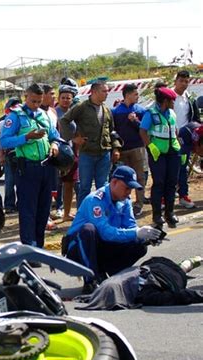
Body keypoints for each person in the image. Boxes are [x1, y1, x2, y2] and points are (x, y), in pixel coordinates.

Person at [62, 165, 161, 294]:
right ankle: (90, 281)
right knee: (88, 229)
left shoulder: (125, 202)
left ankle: (113, 276)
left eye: (131, 189)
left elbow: (130, 227)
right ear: (114, 182)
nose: (128, 192)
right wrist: (136, 233)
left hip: (102, 247)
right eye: (126, 188)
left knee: (139, 245)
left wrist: (146, 236)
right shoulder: (95, 200)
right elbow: (106, 233)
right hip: (78, 252)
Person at [0, 83, 61, 248]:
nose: (36, 105)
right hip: (27, 168)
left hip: (46, 167)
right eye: (33, 101)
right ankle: (29, 247)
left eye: (39, 101)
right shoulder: (15, 116)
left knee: (43, 210)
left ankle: (39, 247)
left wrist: (54, 145)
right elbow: (4, 140)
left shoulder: (44, 114)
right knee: (28, 211)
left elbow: (55, 135)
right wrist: (26, 137)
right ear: (26, 97)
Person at [61, 81, 122, 207]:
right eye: (104, 91)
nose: (106, 94)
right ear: (94, 92)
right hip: (87, 153)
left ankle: (103, 213)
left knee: (103, 187)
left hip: (104, 153)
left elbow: (112, 131)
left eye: (107, 91)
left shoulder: (106, 110)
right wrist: (73, 138)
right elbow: (64, 121)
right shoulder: (81, 107)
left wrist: (115, 148)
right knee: (85, 187)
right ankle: (83, 216)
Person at [75, 256, 203, 310]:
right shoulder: (120, 281)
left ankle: (188, 264)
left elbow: (182, 296)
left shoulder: (144, 295)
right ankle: (188, 263)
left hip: (165, 270)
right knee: (181, 268)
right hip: (156, 266)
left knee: (182, 268)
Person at [139, 87, 180, 228]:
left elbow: (175, 129)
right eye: (172, 101)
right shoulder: (151, 113)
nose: (174, 103)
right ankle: (157, 215)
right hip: (158, 153)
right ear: (165, 101)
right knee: (159, 183)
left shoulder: (172, 113)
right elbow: (143, 131)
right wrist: (150, 146)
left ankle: (170, 212)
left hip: (173, 152)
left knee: (172, 182)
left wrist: (179, 145)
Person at [112, 84, 147, 217]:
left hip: (137, 148)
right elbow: (113, 130)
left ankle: (139, 204)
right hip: (122, 150)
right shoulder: (116, 112)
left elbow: (145, 129)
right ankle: (123, 203)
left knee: (140, 176)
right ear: (127, 95)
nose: (137, 97)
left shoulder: (141, 110)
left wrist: (135, 121)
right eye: (135, 94)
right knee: (122, 179)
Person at [173, 70, 202, 208]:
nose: (184, 84)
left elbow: (196, 119)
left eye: (186, 81)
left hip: (185, 139)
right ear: (175, 81)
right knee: (170, 169)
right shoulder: (168, 98)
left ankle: (183, 196)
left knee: (183, 168)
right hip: (170, 139)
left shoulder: (189, 99)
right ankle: (165, 198)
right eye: (181, 81)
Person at [0, 98, 21, 213]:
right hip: (10, 156)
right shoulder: (5, 122)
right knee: (10, 182)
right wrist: (2, 152)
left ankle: (19, 204)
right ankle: (9, 206)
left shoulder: (22, 121)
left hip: (21, 155)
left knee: (20, 182)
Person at [56, 84, 80, 221]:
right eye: (63, 97)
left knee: (69, 184)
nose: (65, 100)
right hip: (56, 153)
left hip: (71, 153)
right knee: (54, 185)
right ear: (59, 98)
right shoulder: (53, 113)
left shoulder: (75, 113)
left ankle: (66, 213)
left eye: (68, 98)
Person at [41, 84, 60, 230]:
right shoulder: (35, 113)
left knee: (52, 187)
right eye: (51, 94)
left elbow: (56, 133)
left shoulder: (53, 112)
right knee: (41, 188)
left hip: (53, 155)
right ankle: (43, 216)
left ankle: (47, 213)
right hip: (39, 157)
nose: (54, 97)